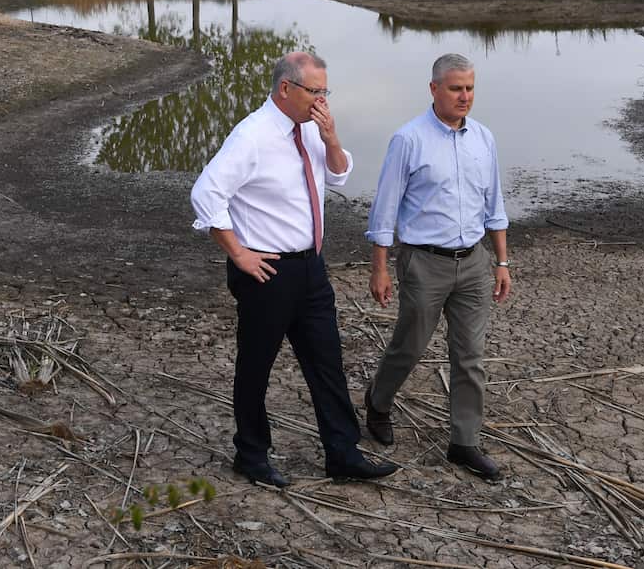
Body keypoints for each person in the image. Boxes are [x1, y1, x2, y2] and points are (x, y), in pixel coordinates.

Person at [190, 51, 397, 488]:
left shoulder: (312, 131)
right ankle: (250, 454)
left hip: (311, 269)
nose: (322, 100)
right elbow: (206, 194)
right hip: (266, 272)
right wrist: (239, 254)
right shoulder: (253, 135)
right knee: (256, 366)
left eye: (326, 91)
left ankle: (341, 453)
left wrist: (333, 137)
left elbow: (338, 176)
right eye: (315, 91)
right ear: (286, 89)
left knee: (327, 362)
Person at [364, 52, 512, 481]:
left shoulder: (483, 138)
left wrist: (501, 261)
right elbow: (385, 209)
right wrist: (380, 267)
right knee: (409, 346)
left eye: (469, 88)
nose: (464, 96)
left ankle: (464, 442)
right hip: (423, 263)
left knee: (470, 356)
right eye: (455, 88)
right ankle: (378, 401)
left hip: (474, 263)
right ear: (434, 89)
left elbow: (495, 206)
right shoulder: (408, 140)